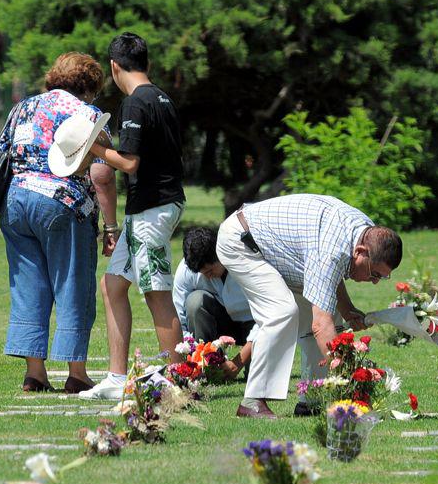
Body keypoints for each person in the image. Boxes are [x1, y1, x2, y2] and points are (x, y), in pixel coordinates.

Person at [215, 194, 403, 419]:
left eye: (381, 278)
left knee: (331, 315)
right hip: (242, 242)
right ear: (360, 252)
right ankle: (252, 402)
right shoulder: (335, 248)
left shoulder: (363, 232)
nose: (374, 281)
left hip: (276, 251)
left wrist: (346, 307)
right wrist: (350, 382)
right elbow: (320, 325)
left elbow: (330, 277)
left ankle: (313, 399)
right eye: (374, 273)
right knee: (281, 312)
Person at [0, 52, 117, 393]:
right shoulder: (87, 113)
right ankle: (76, 373)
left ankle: (35, 373)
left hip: (16, 202)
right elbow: (103, 174)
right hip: (64, 204)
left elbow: (1, 148)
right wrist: (110, 226)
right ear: (89, 87)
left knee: (28, 285)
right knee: (72, 283)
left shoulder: (23, 107)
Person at [79, 32, 186, 401]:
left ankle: (176, 379)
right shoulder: (161, 97)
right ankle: (116, 377)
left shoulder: (136, 102)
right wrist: (107, 146)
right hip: (149, 210)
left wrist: (90, 148)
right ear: (147, 63)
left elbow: (129, 163)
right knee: (112, 285)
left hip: (153, 211)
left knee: (156, 292)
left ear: (113, 66)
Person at [172, 226, 255, 377]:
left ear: (219, 253)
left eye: (210, 271)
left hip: (252, 323)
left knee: (256, 376)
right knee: (195, 302)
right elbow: (180, 317)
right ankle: (207, 365)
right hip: (218, 324)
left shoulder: (246, 260)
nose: (208, 276)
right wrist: (188, 352)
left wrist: (238, 362)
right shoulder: (186, 269)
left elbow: (267, 316)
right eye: (203, 274)